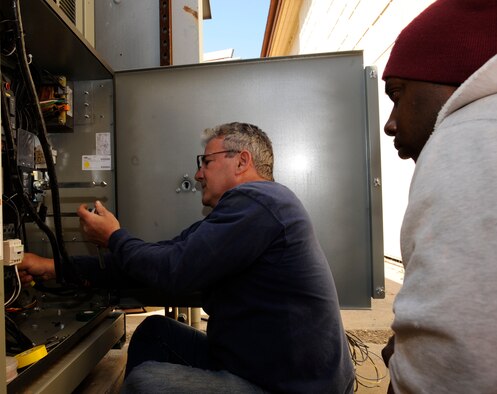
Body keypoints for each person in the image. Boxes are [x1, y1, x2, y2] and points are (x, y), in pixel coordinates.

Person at [19, 122, 355, 393]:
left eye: (206, 162)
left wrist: (114, 237)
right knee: (155, 333)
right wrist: (53, 267)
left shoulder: (259, 202)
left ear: (241, 161)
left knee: (145, 382)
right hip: (262, 365)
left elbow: (172, 270)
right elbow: (159, 260)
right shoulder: (246, 212)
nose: (197, 175)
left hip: (291, 386)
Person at [381, 0, 497, 392]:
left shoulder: (465, 136)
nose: (390, 124)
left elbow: (449, 366)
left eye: (397, 94)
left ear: (455, 80)